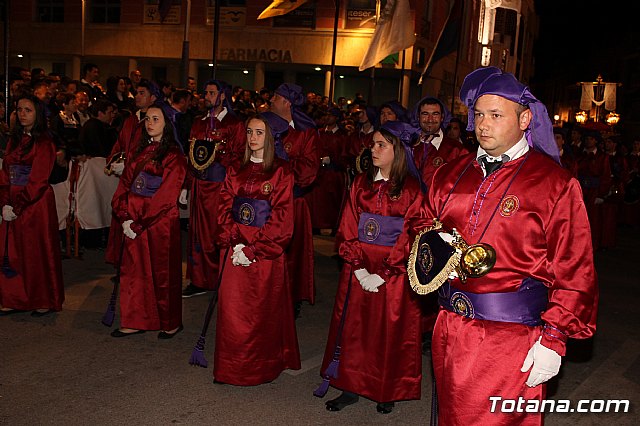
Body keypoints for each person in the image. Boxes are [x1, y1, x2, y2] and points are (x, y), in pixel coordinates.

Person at [416, 67, 598, 425]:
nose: (483, 125)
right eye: (479, 114)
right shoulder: (450, 174)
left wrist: (554, 337)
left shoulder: (554, 183)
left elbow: (575, 267)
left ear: (525, 118)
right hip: (449, 326)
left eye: (496, 115)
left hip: (510, 338)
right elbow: (420, 222)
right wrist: (438, 245)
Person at [318, 121, 424, 414]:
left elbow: (411, 235)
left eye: (381, 145)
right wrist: (357, 265)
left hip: (392, 273)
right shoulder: (360, 184)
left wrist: (386, 272)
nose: (373, 150)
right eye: (372, 144)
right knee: (353, 328)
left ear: (397, 151)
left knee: (386, 331)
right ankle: (349, 385)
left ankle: (384, 387)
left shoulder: (412, 190)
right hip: (359, 268)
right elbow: (348, 226)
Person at [213, 112, 300, 385]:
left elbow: (282, 219)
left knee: (261, 310)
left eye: (259, 132)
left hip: (264, 250)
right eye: (249, 131)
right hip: (234, 245)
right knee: (232, 309)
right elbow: (222, 207)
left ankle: (258, 368)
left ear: (270, 137)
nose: (252, 137)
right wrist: (233, 240)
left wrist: (253, 250)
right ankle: (230, 368)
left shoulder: (281, 172)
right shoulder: (235, 169)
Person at [109, 103, 186, 337]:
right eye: (148, 119)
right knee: (134, 271)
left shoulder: (174, 156)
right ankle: (137, 318)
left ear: (167, 124)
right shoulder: (138, 151)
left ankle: (169, 321)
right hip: (133, 218)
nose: (150, 123)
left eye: (156, 119)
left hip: (158, 221)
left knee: (163, 272)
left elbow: (166, 196)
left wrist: (139, 222)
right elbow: (124, 185)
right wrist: (124, 215)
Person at [0, 96, 64, 316]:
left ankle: (42, 298)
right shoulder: (14, 140)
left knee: (35, 251)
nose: (22, 114)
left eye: (28, 110)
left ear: (37, 113)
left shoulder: (45, 142)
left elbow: (38, 180)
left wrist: (16, 206)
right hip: (13, 200)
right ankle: (15, 298)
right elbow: (5, 173)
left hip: (35, 204)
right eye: (19, 110)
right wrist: (4, 202)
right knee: (13, 251)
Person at [182, 80, 246, 298]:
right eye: (205, 92)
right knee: (197, 234)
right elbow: (191, 156)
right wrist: (187, 183)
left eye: (210, 93)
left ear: (221, 96)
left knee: (216, 233)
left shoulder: (234, 124)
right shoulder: (198, 123)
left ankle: (220, 279)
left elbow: (239, 157)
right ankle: (199, 279)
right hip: (200, 187)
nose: (205, 96)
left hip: (220, 188)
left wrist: (220, 160)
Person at [270, 83, 320, 311]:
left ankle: (291, 297)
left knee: (293, 251)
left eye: (275, 97)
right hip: (264, 201)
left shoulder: (305, 133)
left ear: (287, 103)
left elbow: (309, 171)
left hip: (292, 201)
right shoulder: (264, 126)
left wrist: (280, 167)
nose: (270, 100)